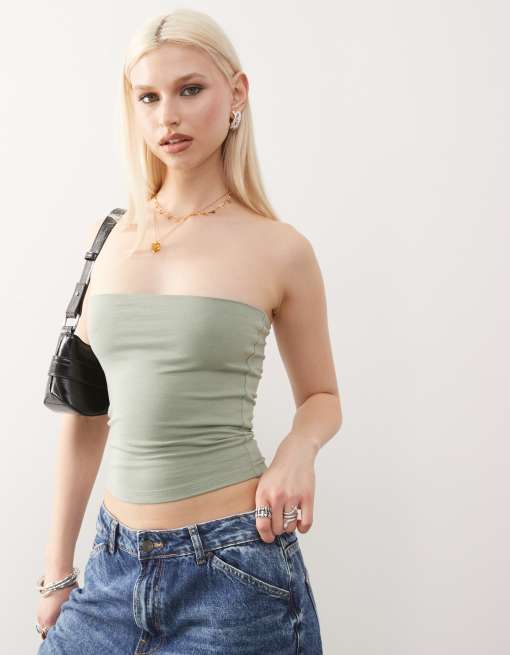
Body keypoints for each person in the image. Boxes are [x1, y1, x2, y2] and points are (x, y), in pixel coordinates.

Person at [36, 8, 342, 654]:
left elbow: (322, 397)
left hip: (234, 570)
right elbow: (87, 413)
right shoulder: (110, 237)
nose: (167, 116)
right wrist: (57, 572)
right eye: (148, 97)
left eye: (190, 89)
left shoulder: (279, 248)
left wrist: (297, 449)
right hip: (112, 565)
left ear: (237, 93)